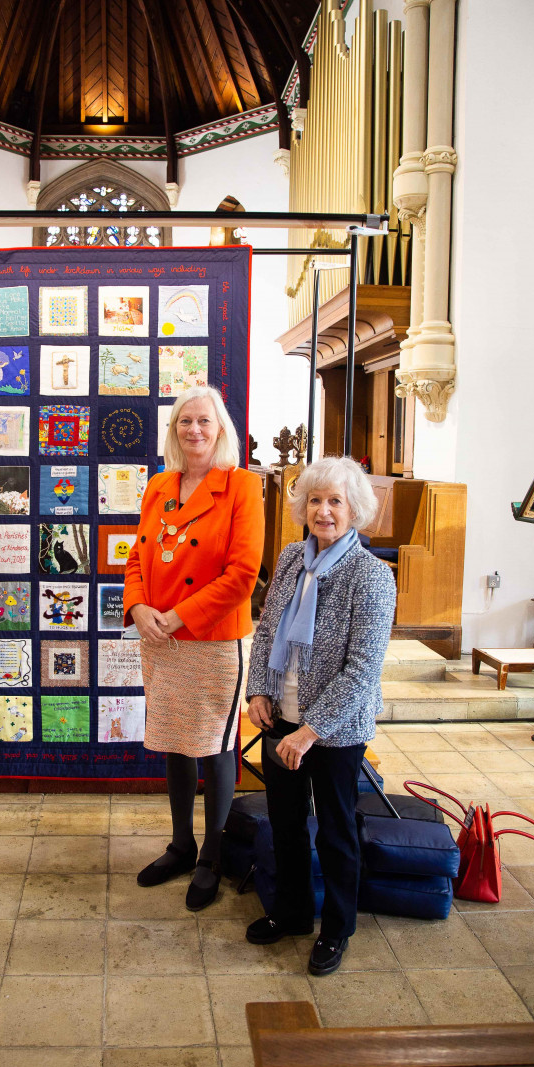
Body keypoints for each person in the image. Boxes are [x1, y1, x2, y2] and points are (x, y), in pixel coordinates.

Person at [244, 455, 396, 975]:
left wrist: (310, 730)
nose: (323, 511)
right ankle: (290, 913)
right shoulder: (290, 558)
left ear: (355, 509)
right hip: (280, 715)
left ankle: (336, 928)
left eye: (335, 501)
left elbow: (362, 671)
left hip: (334, 730)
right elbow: (266, 629)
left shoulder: (372, 578)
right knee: (284, 822)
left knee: (334, 831)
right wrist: (259, 692)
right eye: (315, 499)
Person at [124, 386, 264, 911]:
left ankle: (212, 855)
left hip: (209, 638)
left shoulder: (242, 487)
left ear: (221, 429)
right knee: (173, 739)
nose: (195, 431)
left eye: (204, 421)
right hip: (158, 638)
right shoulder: (159, 485)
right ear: (174, 430)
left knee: (214, 744)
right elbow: (137, 556)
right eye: (185, 422)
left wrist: (178, 615)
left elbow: (243, 574)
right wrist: (139, 609)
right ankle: (181, 845)